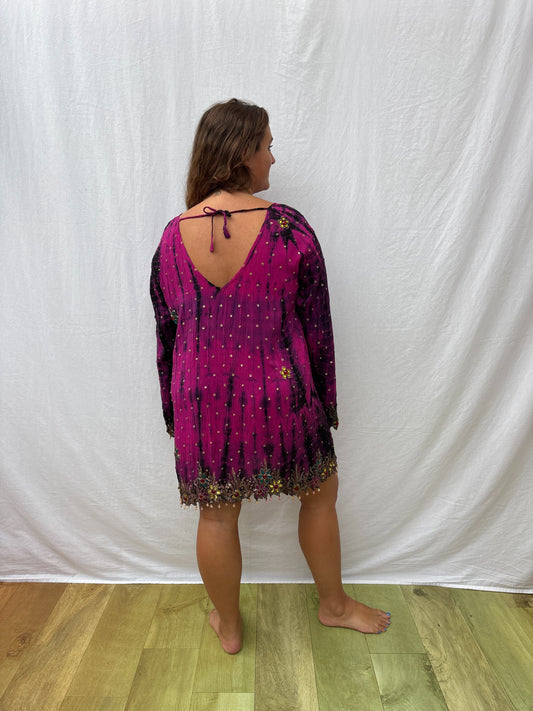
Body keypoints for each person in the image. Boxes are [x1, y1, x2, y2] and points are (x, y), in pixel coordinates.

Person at [150, 98, 391, 653]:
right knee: (319, 492)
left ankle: (230, 626)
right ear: (241, 152)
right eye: (267, 146)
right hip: (280, 388)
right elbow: (317, 324)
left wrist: (174, 410)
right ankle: (334, 606)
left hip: (201, 397)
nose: (273, 159)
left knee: (216, 514)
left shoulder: (170, 238)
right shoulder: (287, 228)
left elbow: (167, 337)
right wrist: (324, 399)